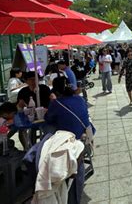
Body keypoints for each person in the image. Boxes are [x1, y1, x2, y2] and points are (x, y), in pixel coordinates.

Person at [45, 76, 93, 204]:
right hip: (87, 134)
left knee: (49, 130)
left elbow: (48, 118)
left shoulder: (56, 103)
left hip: (71, 141)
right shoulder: (80, 99)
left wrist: (52, 103)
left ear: (56, 90)